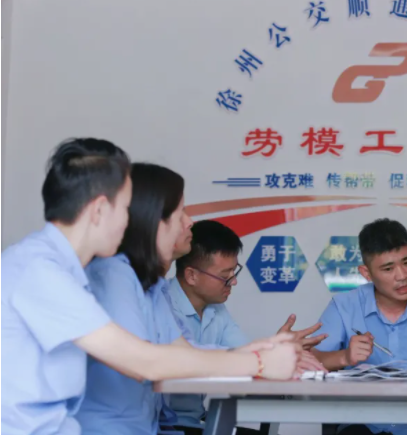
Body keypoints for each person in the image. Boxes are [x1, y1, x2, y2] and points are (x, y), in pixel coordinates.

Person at [1, 139, 297, 435]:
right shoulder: (39, 271)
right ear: (100, 210)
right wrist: (257, 364)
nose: (131, 221)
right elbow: (142, 362)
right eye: (126, 208)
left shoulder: (65, 271)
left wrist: (250, 354)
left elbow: (171, 351)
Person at [76, 163, 299, 435]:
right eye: (179, 213)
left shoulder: (151, 286)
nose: (189, 222)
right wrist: (258, 362)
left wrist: (261, 350)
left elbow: (183, 349)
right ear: (151, 220)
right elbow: (144, 363)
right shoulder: (113, 274)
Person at [166, 219, 327, 434]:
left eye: (234, 272)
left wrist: (273, 350)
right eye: (225, 276)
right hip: (163, 425)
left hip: (196, 422)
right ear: (191, 275)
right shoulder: (162, 305)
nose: (233, 282)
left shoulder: (216, 310)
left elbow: (243, 355)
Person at [312, 218, 407, 435]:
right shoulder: (344, 307)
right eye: (388, 268)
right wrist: (344, 357)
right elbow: (310, 362)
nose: (402, 276)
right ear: (366, 273)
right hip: (363, 424)